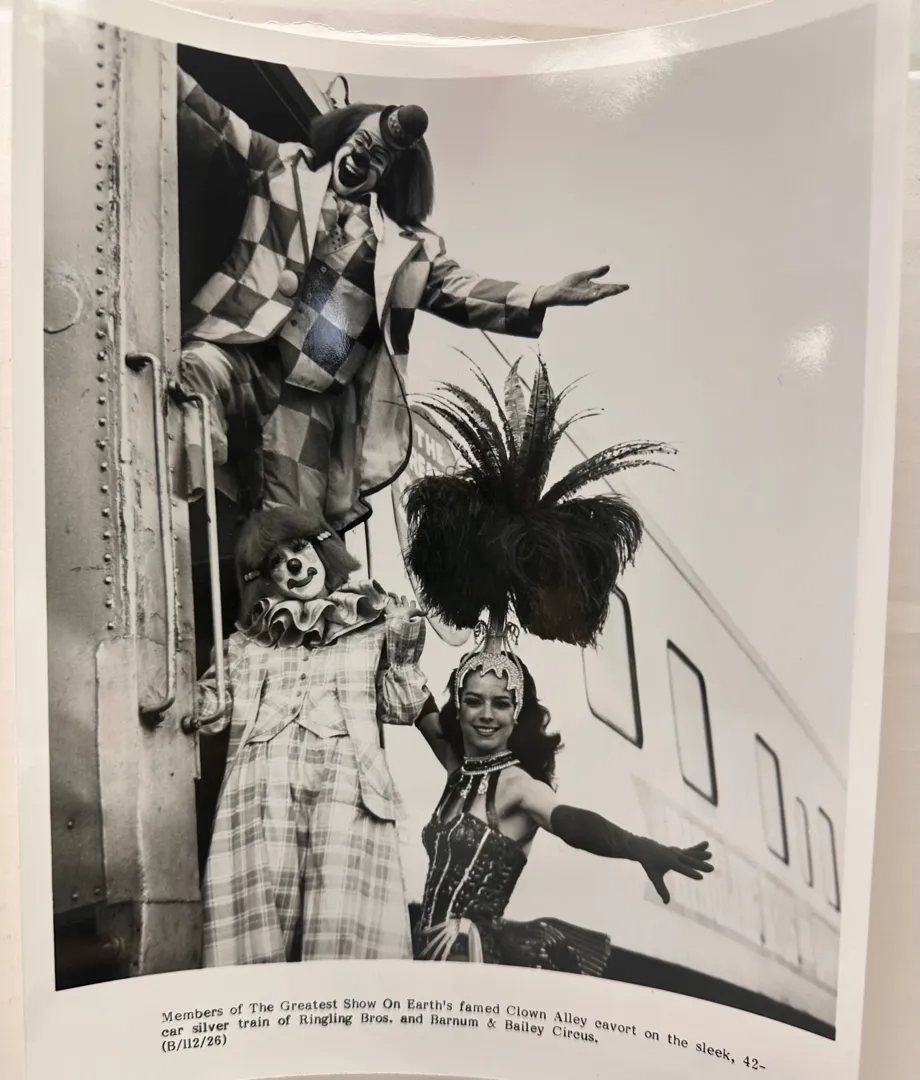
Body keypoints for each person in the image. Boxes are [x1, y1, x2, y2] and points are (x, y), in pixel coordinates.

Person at [176, 68, 629, 529]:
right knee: (196, 371)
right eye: (360, 142)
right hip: (246, 349)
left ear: (390, 177)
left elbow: (460, 289)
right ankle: (176, 496)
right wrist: (150, 46)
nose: (361, 157)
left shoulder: (405, 248)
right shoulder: (284, 167)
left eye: (378, 158)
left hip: (309, 397)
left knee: (292, 523)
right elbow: (217, 122)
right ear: (343, 136)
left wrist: (541, 294)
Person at [194, 503, 436, 965]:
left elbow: (402, 707)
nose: (292, 564)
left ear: (323, 549)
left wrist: (403, 645)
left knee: (341, 933)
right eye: (275, 561)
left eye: (299, 547)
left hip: (346, 787)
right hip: (260, 791)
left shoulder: (371, 628)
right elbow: (212, 711)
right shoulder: (245, 645)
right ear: (264, 579)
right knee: (254, 941)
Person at [413, 651, 713, 970]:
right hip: (423, 950)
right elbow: (418, 701)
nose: (486, 715)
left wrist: (638, 847)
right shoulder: (458, 770)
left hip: (471, 956)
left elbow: (572, 823)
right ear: (459, 708)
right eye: (474, 701)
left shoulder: (519, 786)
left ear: (517, 713)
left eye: (501, 704)